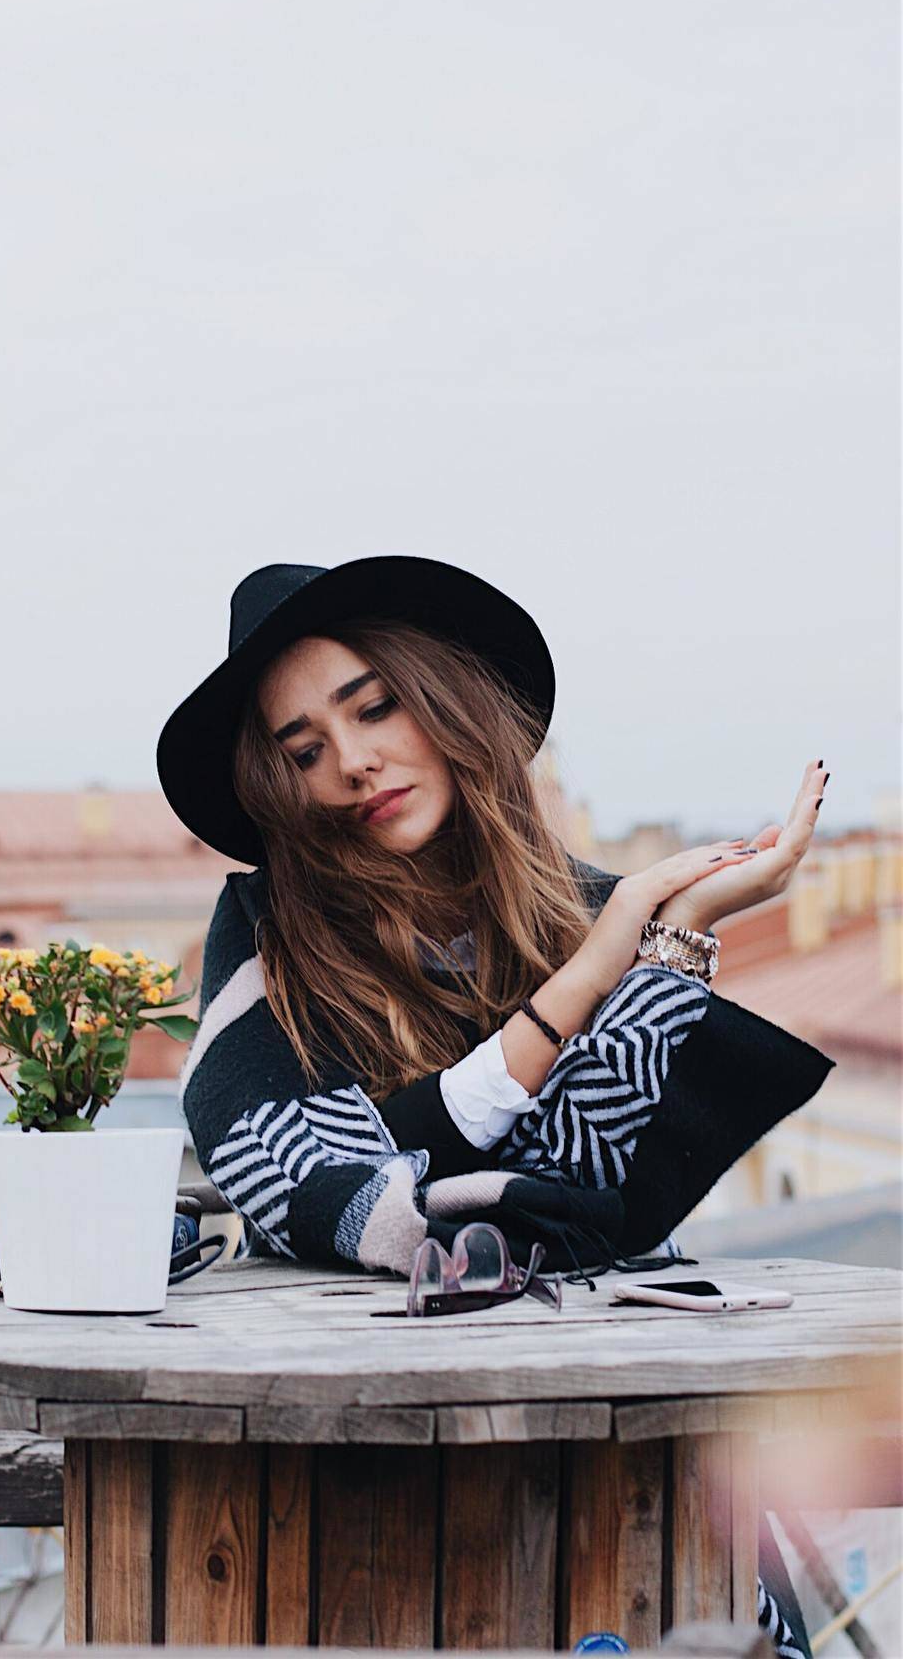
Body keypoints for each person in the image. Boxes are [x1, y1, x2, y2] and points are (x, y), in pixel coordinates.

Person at [156, 555, 831, 1659]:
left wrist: (672, 938)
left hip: (630, 1474)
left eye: (374, 706)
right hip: (368, 1513)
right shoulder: (268, 945)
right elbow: (320, 1186)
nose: (354, 762)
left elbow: (587, 1194)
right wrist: (583, 988)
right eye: (305, 750)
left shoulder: (588, 911)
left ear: (443, 700)